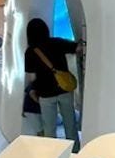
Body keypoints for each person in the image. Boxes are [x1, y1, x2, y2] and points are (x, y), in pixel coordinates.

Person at [23, 15, 79, 147]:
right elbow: (77, 48)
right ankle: (75, 151)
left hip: (45, 94)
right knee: (70, 124)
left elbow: (31, 77)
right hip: (64, 89)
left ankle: (52, 154)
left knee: (49, 128)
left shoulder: (30, 52)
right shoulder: (57, 43)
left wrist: (32, 92)